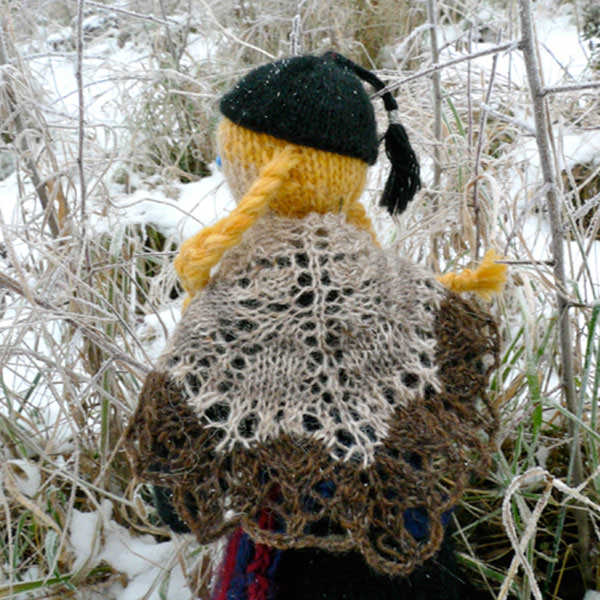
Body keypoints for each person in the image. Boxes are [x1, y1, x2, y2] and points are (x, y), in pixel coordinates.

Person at [125, 52, 505, 599]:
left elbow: (177, 500)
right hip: (412, 552)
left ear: (253, 171)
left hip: (285, 568)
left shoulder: (224, 317)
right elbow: (460, 391)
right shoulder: (416, 294)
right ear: (352, 174)